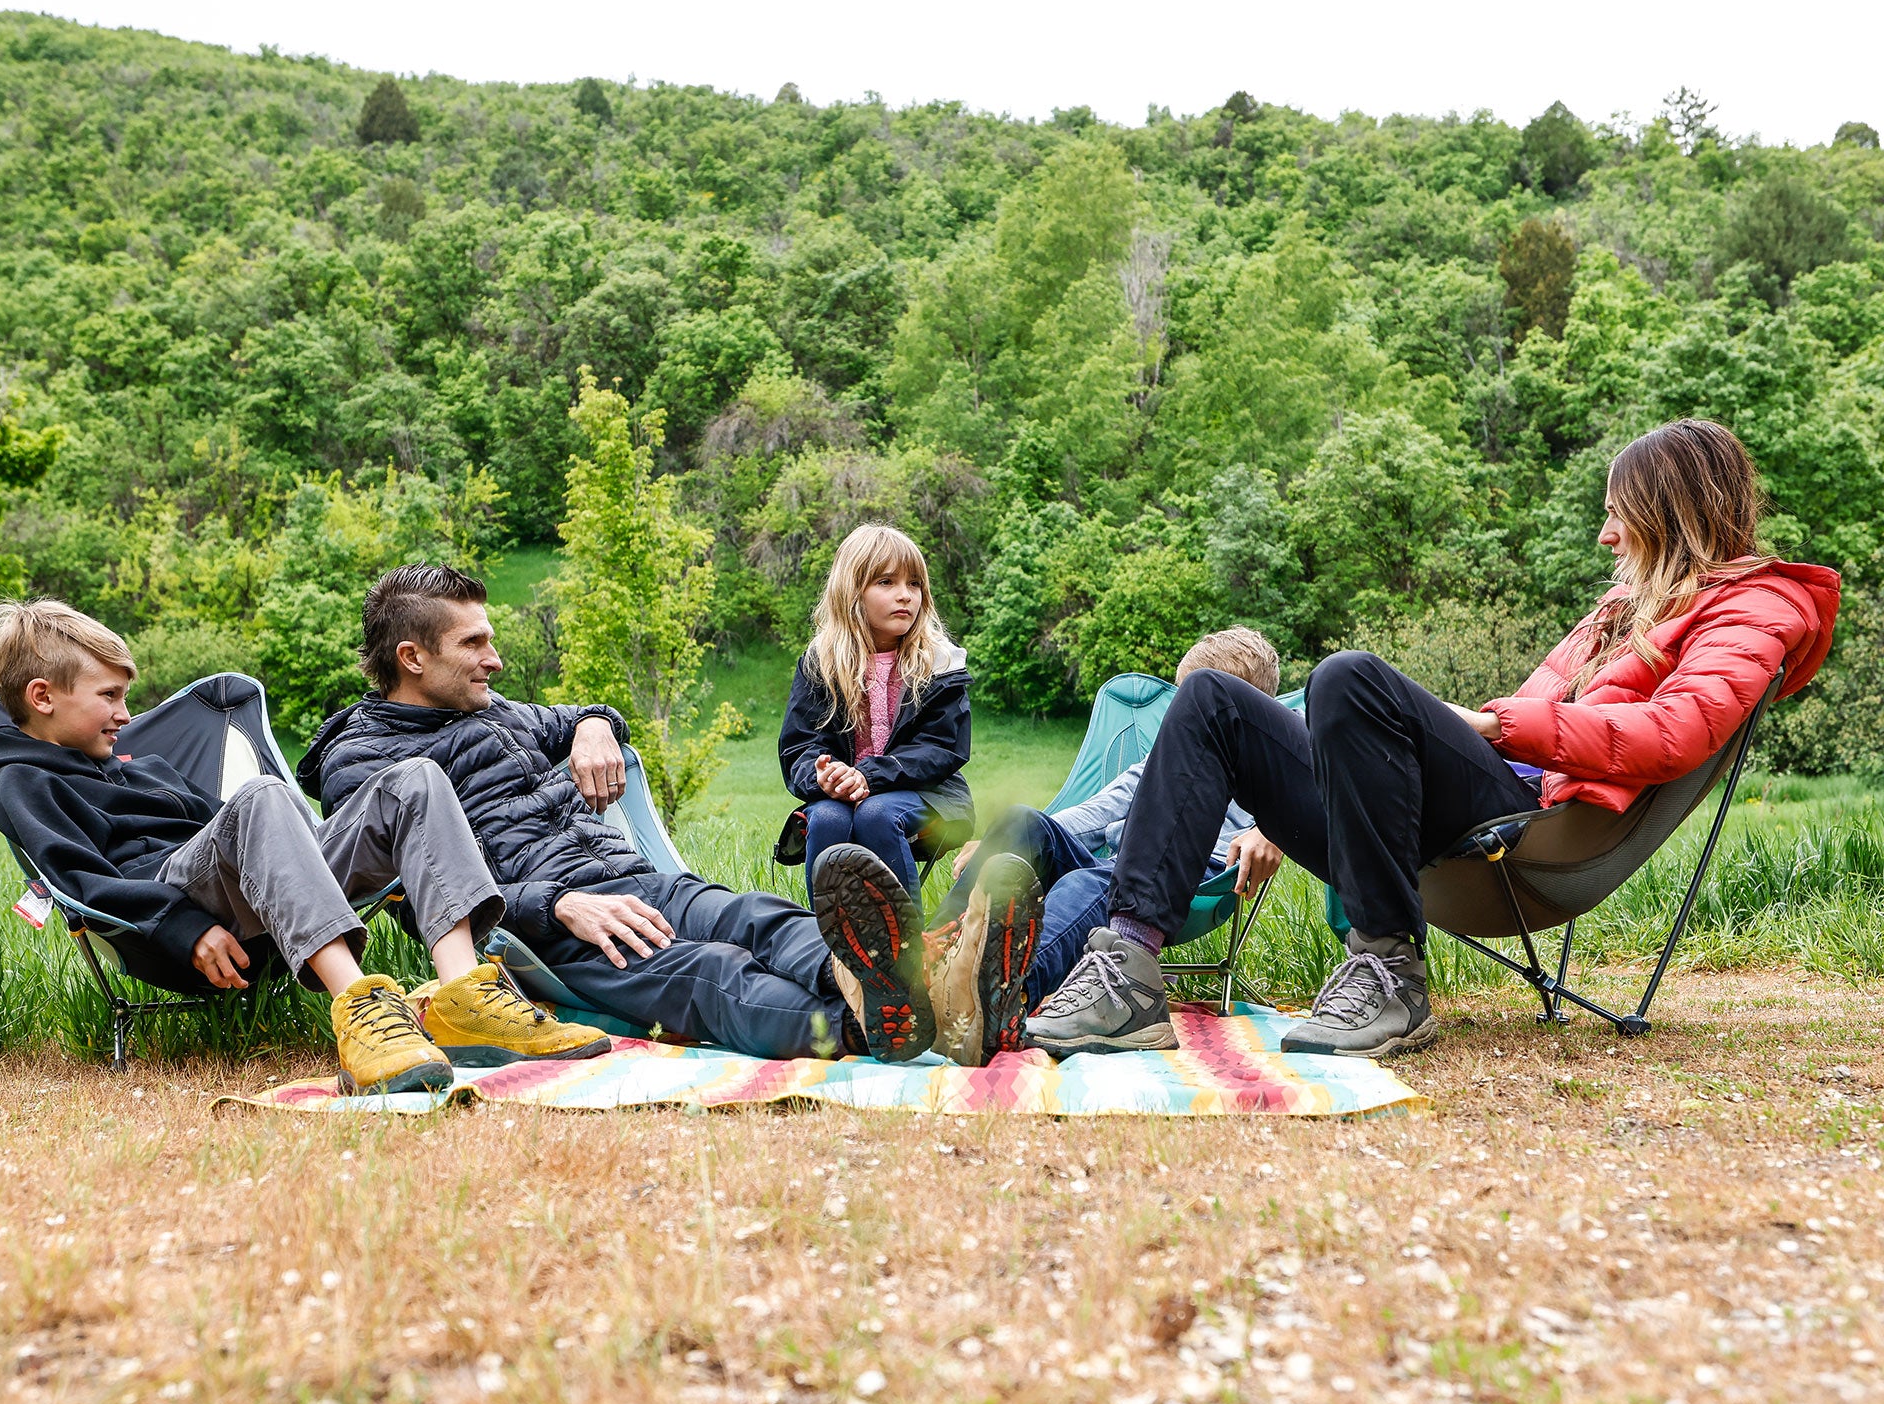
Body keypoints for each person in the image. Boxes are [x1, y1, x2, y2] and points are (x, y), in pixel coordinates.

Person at [1027, 420, 1841, 1061]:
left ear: (1669, 510)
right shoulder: (1622, 608)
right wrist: (1432, 733)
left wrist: (1491, 722)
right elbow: (1521, 723)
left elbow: (1672, 732)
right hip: (1477, 805)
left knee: (1348, 675)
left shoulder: (1757, 610)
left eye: (1615, 514)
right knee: (1212, 698)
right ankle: (1128, 969)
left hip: (1533, 829)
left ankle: (1388, 969)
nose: (1605, 537)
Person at [302, 565, 1029, 1066]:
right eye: (475, 643)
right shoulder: (366, 762)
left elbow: (591, 716)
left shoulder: (493, 710)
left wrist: (594, 724)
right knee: (711, 974)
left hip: (628, 874)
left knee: (757, 917)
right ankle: (865, 1026)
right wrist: (560, 907)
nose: (495, 658)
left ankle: (907, 988)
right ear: (412, 658)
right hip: (554, 927)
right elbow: (409, 896)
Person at [0, 600, 608, 1096]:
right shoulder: (21, 781)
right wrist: (183, 925)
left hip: (256, 903)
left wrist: (331, 843)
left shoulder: (143, 768)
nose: (125, 714)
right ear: (43, 697)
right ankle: (361, 1012)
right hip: (168, 926)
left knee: (414, 778)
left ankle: (463, 994)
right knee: (265, 796)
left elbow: (238, 833)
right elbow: (76, 881)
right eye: (109, 697)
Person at [937, 627, 1287, 1055]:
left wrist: (1270, 829)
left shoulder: (1269, 759)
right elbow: (1100, 809)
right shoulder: (1168, 754)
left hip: (1194, 883)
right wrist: (1000, 839)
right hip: (1124, 870)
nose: (1183, 714)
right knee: (1022, 822)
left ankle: (1003, 996)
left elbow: (1315, 793)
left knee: (1093, 883)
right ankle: (931, 960)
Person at [775, 524, 1041, 1065]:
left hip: (927, 798)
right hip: (849, 793)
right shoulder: (822, 661)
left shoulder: (939, 662)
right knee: (825, 820)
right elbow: (799, 748)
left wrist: (869, 774)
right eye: (887, 582)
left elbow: (944, 749)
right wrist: (823, 775)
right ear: (853, 594)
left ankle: (908, 971)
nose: (905, 595)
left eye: (914, 584)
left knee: (875, 813)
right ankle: (845, 971)